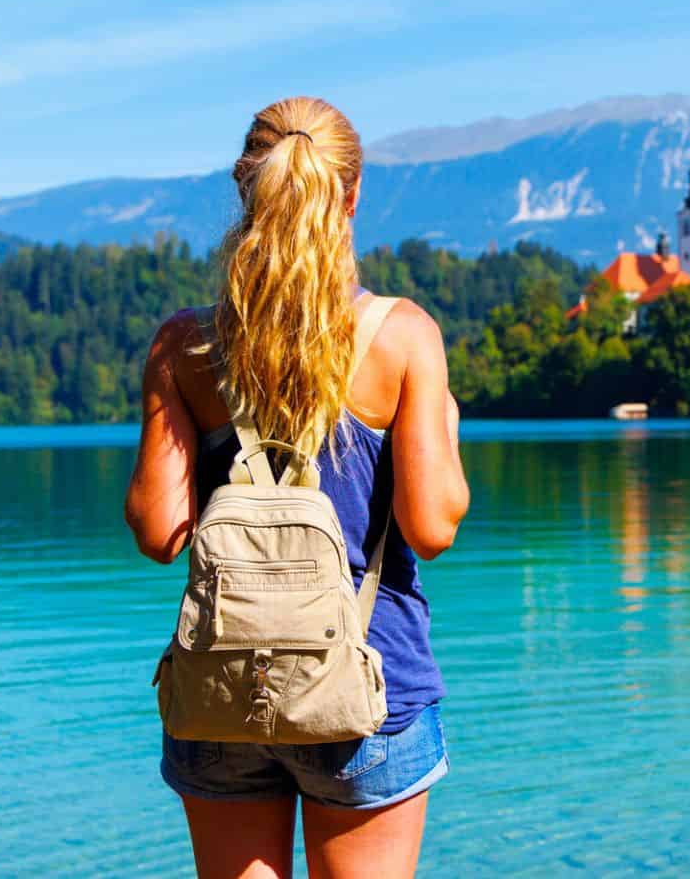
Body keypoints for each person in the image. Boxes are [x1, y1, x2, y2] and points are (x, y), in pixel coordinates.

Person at [124, 97, 469, 878]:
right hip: (366, 690)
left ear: (247, 188)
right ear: (352, 195)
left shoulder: (185, 346)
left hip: (223, 692)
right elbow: (433, 527)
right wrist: (441, 425)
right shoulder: (401, 336)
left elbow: (157, 533)